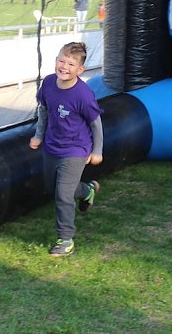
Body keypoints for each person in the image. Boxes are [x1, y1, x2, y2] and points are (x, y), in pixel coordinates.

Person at [29, 42, 104, 257]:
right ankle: (87, 190)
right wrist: (38, 135)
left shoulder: (83, 94)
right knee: (51, 188)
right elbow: (43, 110)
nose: (64, 66)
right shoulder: (49, 83)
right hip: (52, 146)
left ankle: (65, 239)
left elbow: (96, 123)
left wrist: (97, 150)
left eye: (71, 64)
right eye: (61, 60)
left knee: (63, 195)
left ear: (80, 70)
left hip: (76, 149)